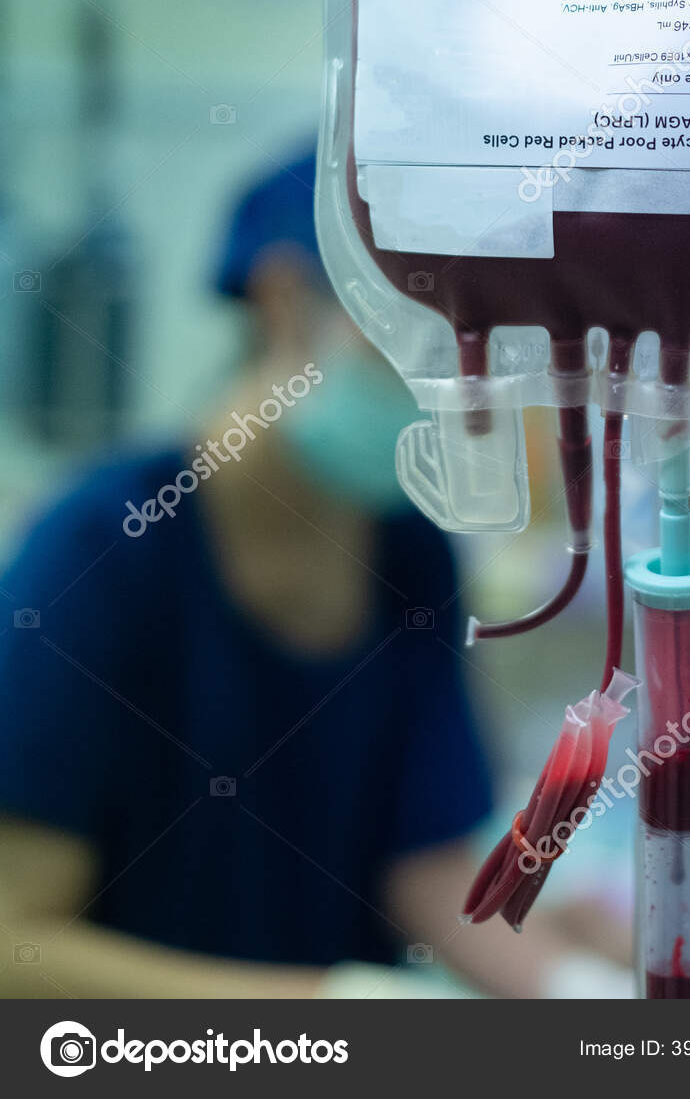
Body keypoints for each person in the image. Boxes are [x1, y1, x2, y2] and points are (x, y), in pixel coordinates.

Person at [0, 150, 627, 999]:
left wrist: (576, 989)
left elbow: (426, 869)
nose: (458, 385)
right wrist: (333, 1011)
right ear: (286, 298)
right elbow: (17, 941)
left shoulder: (409, 551)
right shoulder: (100, 554)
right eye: (424, 337)